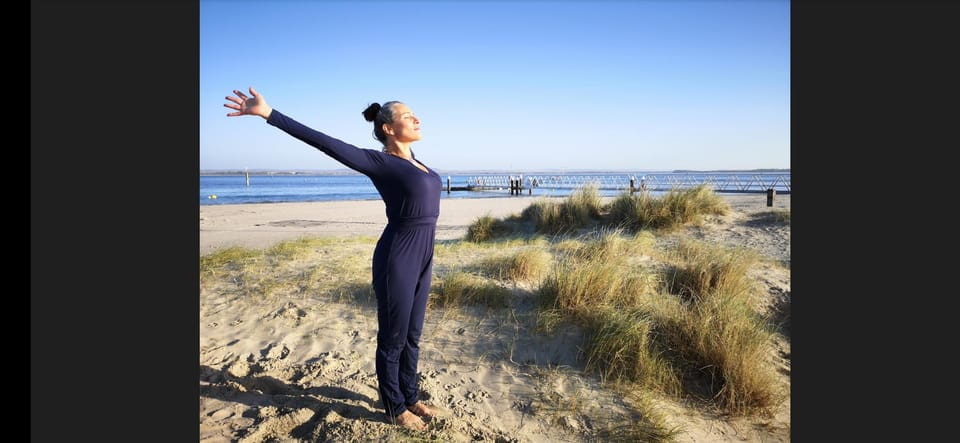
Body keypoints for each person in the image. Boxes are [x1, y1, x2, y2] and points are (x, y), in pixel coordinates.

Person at [224, 87, 441, 431]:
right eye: (407, 116)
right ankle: (394, 407)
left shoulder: (418, 163)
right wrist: (270, 114)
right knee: (394, 337)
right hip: (398, 257)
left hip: (424, 255)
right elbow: (325, 143)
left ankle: (410, 395)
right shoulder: (381, 162)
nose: (417, 119)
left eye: (415, 114)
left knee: (413, 334)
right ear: (388, 128)